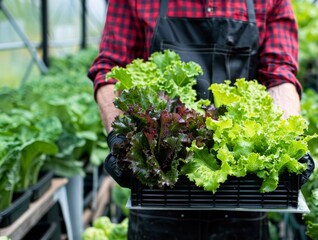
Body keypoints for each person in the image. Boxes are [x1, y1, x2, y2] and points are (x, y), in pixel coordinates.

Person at [88, 0, 302, 239]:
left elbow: (280, 75)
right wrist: (119, 139)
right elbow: (111, 69)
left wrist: (287, 142)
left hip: (242, 197)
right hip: (159, 193)